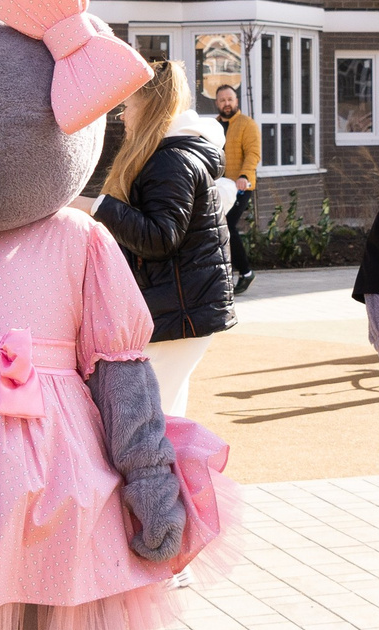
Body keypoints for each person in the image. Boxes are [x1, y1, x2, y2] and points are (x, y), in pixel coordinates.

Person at [92, 60, 237, 416]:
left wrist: (97, 206)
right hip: (183, 310)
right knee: (168, 416)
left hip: (181, 312)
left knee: (150, 420)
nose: (123, 116)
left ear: (150, 106)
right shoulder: (175, 155)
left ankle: (168, 473)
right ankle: (178, 472)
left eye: (128, 106)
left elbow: (160, 237)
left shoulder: (170, 160)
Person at [214, 83, 260, 295]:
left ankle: (246, 272)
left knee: (228, 226)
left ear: (236, 101)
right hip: (219, 187)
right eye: (222, 100)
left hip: (241, 186)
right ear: (217, 103)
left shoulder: (246, 124)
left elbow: (253, 153)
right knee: (218, 229)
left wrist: (243, 176)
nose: (226, 103)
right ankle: (226, 274)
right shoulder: (213, 126)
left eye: (229, 99)